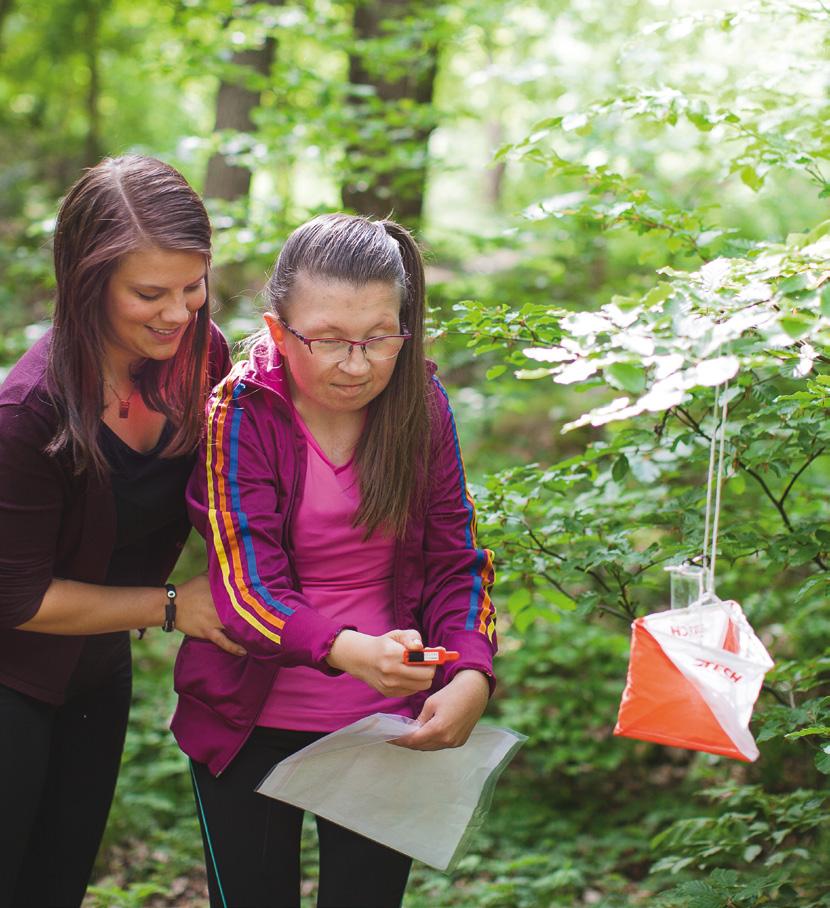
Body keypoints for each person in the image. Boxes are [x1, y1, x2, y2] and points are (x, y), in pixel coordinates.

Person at [173, 213, 498, 908]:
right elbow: (243, 583)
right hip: (249, 727)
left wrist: (471, 670)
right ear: (278, 327)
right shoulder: (240, 411)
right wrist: (349, 650)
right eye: (326, 340)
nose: (356, 364)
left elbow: (455, 561)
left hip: (385, 729)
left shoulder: (421, 406)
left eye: (379, 338)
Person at [0, 154, 244, 908]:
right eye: (149, 293)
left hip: (94, 674)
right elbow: (17, 599)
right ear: (87, 282)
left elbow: (233, 500)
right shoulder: (27, 413)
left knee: (56, 885)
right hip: (10, 678)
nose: (178, 311)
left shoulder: (200, 360)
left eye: (192, 285)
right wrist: (174, 605)